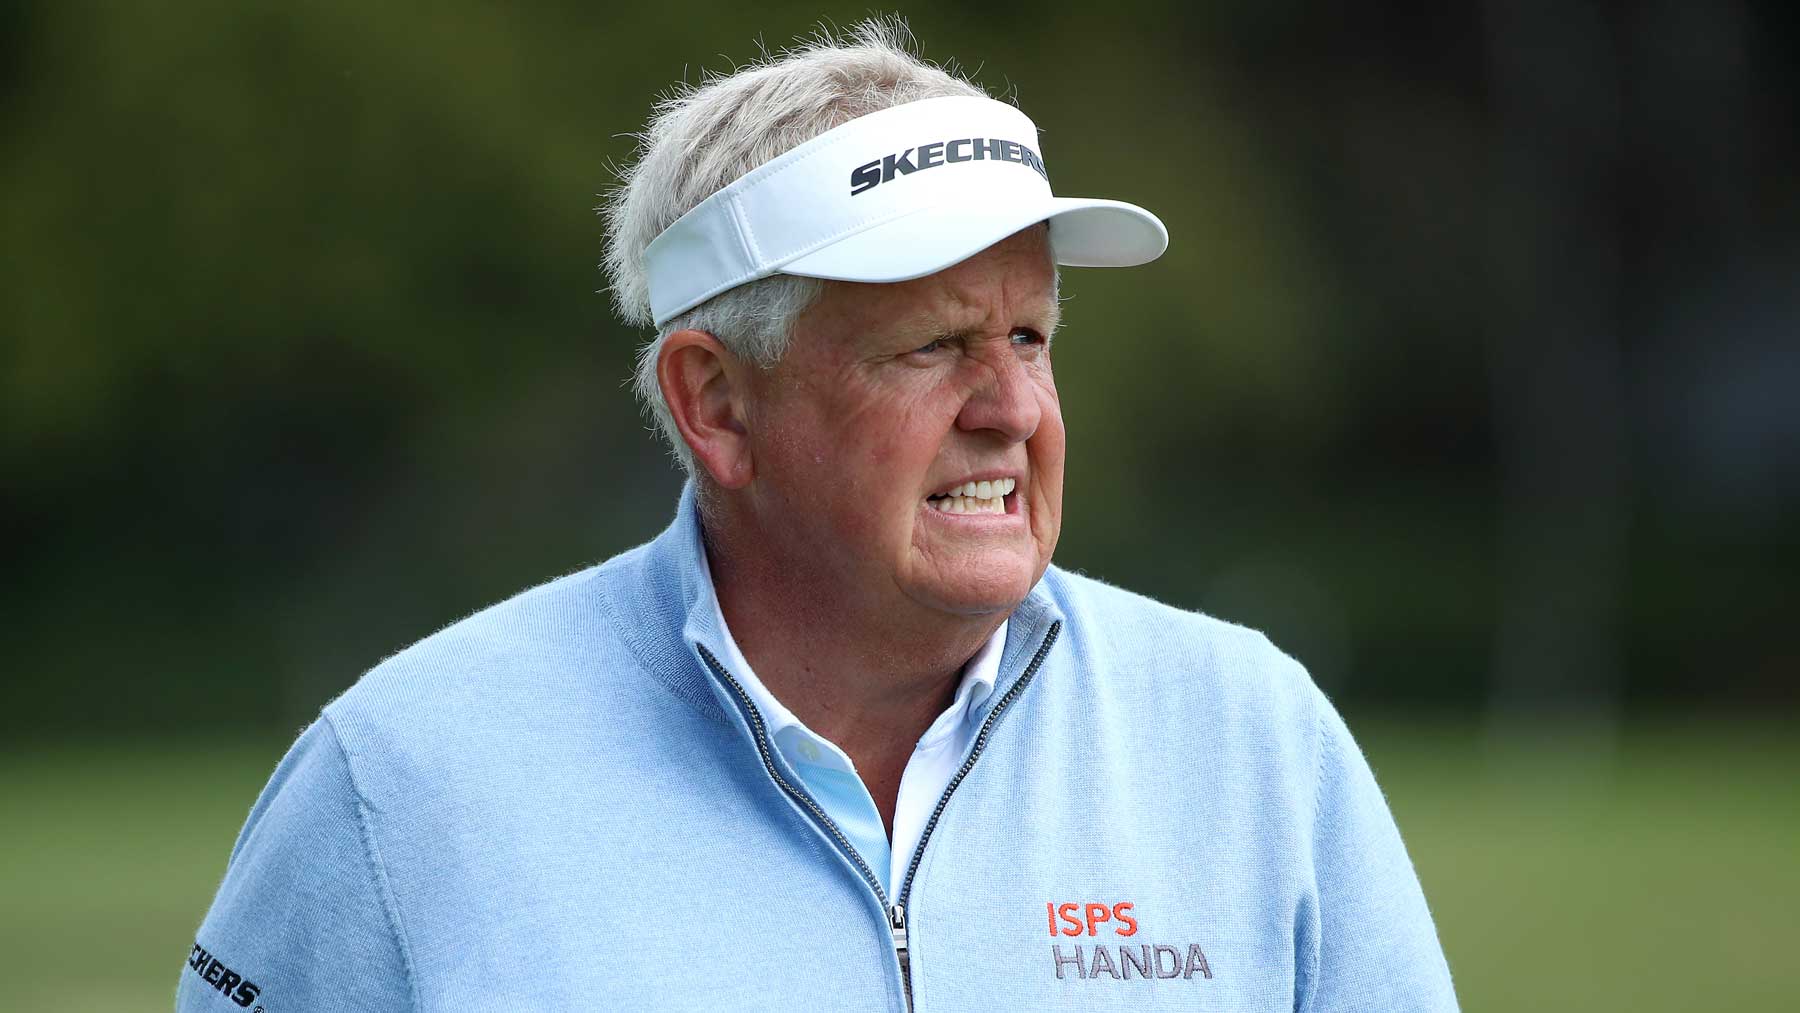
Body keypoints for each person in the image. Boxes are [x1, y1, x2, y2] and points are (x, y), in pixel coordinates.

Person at [178, 20, 1457, 1012]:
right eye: (933, 346)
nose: (1012, 403)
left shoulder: (1252, 740)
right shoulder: (398, 783)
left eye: (1030, 333)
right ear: (717, 404)